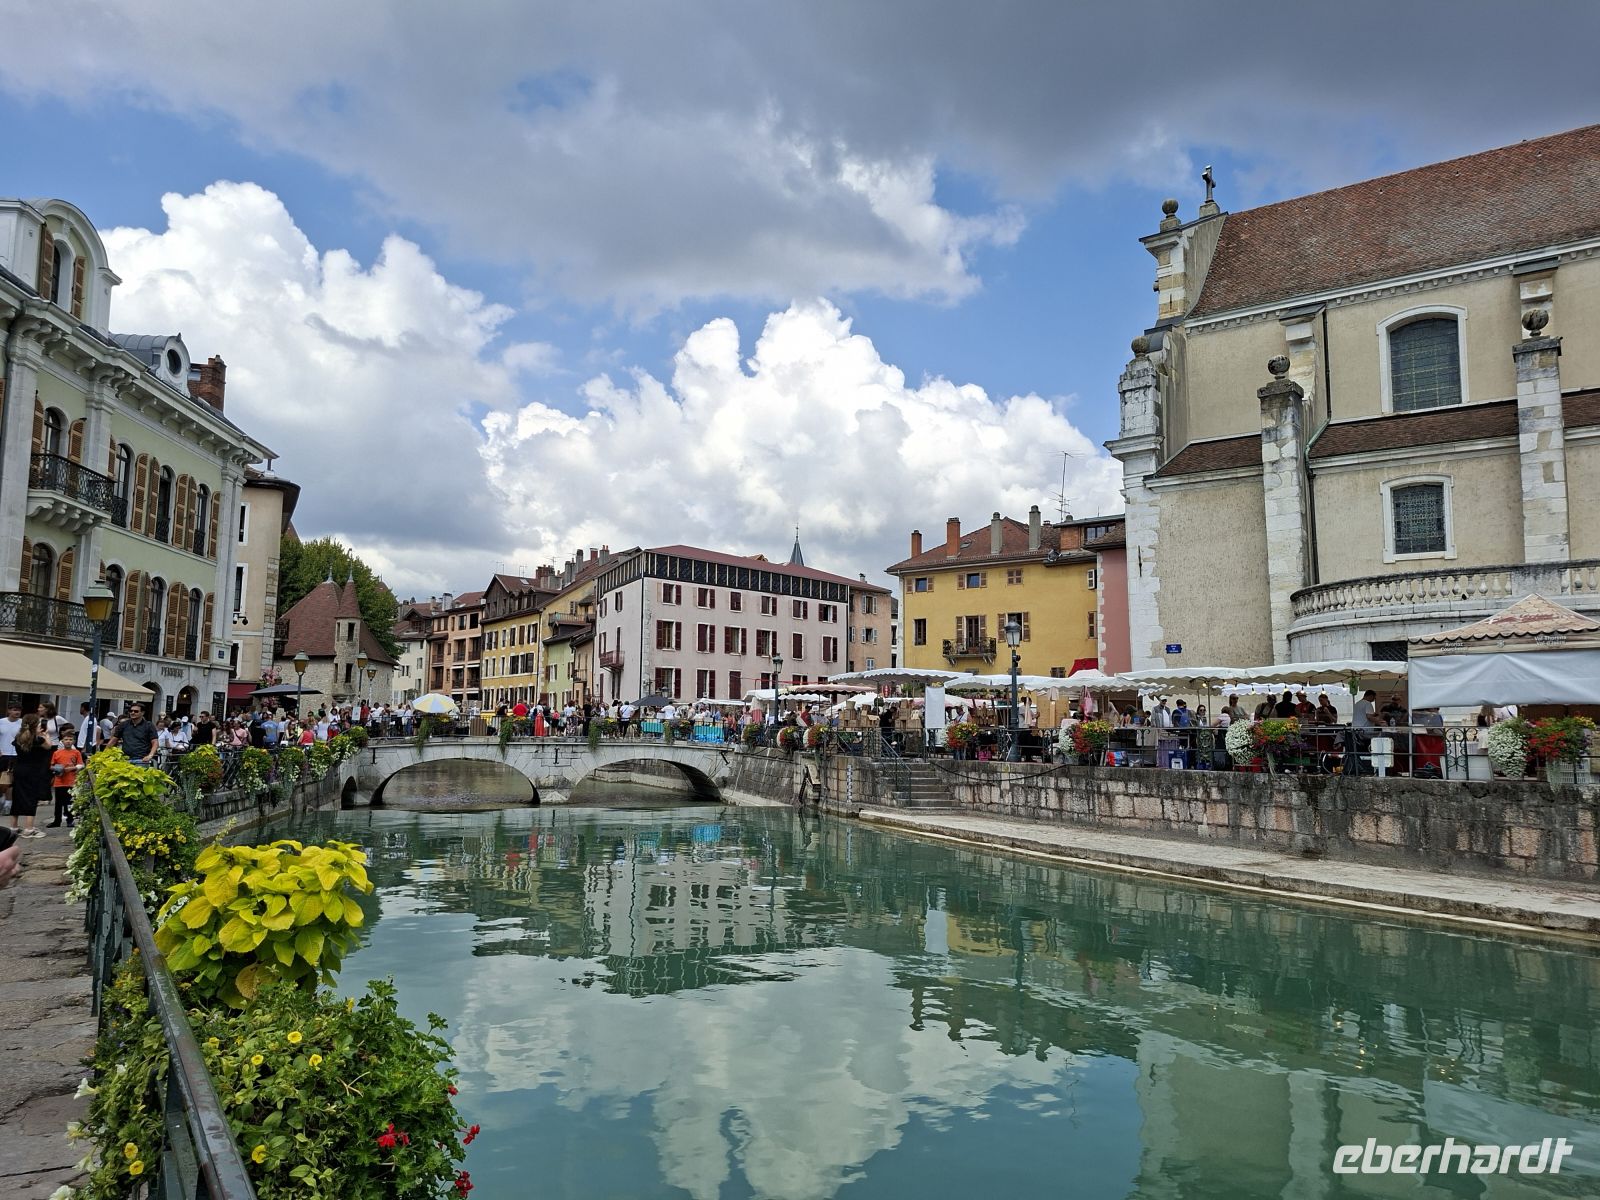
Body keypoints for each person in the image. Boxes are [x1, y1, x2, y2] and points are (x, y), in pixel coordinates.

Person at [9, 714, 52, 839]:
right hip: (33, 771)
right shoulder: (38, 740)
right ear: (35, 726)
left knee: (17, 796)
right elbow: (49, 746)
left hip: (19, 769)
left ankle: (13, 826)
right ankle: (29, 828)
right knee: (31, 798)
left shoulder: (19, 737)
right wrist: (45, 734)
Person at [47, 727, 85, 828]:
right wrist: (57, 769)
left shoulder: (76, 753)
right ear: (62, 741)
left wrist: (72, 768)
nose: (68, 742)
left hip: (71, 781)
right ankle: (57, 820)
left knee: (69, 802)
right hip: (59, 781)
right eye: (66, 739)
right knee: (58, 803)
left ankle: (70, 819)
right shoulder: (57, 753)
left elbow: (81, 765)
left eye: (70, 739)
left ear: (74, 741)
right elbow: (51, 765)